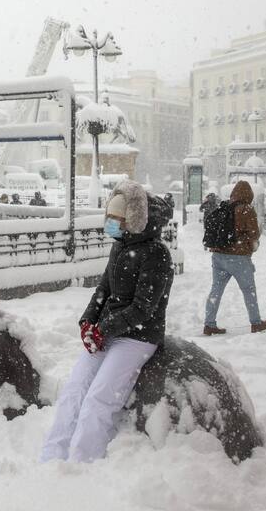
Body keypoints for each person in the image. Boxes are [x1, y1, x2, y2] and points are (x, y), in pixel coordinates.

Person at [41, 180, 174, 463]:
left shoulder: (156, 253)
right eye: (109, 217)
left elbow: (143, 308)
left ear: (133, 220)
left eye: (117, 218)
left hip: (139, 337)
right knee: (74, 391)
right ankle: (52, 458)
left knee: (99, 400)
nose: (111, 223)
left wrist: (103, 328)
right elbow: (104, 290)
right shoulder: (120, 246)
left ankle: (82, 461)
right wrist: (88, 322)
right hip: (109, 331)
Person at [203, 180, 266, 335]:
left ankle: (209, 324)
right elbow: (254, 234)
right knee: (249, 290)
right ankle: (256, 323)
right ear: (249, 195)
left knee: (216, 290)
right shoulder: (246, 209)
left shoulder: (224, 207)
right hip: (238, 257)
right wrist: (249, 245)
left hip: (218, 255)